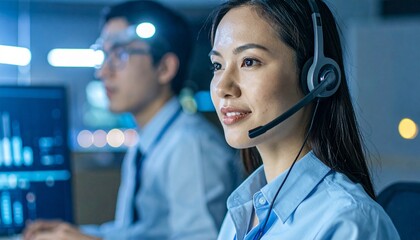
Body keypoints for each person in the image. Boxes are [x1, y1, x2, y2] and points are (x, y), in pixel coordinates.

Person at [23, 1, 242, 240]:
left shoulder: (190, 147)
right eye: (103, 54)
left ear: (165, 67)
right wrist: (73, 234)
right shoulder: (148, 143)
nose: (103, 71)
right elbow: (135, 233)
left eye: (120, 54)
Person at [208, 0, 400, 239]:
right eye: (217, 65)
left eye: (249, 61)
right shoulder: (243, 211)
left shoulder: (348, 221)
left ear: (317, 77)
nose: (222, 87)